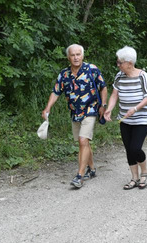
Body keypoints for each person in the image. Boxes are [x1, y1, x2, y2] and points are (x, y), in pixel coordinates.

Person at [42, 44, 108, 188]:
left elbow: (103, 87)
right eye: (73, 55)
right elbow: (56, 92)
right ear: (68, 57)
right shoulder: (64, 74)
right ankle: (92, 169)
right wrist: (48, 107)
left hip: (90, 110)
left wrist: (103, 105)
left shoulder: (92, 69)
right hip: (74, 112)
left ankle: (80, 175)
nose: (76, 57)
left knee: (83, 140)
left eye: (78, 54)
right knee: (83, 142)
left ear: (82, 56)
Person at [104, 46, 147, 190]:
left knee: (135, 148)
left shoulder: (142, 75)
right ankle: (134, 177)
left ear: (130, 63)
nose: (118, 65)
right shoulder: (119, 76)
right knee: (128, 149)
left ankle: (144, 172)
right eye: (118, 62)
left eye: (120, 63)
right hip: (125, 119)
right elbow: (115, 94)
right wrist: (109, 109)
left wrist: (135, 108)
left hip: (142, 118)